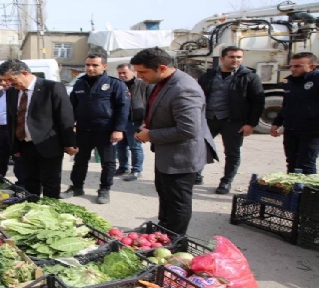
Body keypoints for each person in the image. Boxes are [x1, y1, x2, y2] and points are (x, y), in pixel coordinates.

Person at [131, 47, 218, 235]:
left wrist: (151, 135)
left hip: (182, 157)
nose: (139, 76)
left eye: (143, 72)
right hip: (167, 153)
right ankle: (162, 230)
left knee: (178, 202)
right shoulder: (163, 82)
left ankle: (174, 241)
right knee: (166, 195)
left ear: (161, 68)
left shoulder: (184, 88)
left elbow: (188, 129)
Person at [0, 59, 77, 199]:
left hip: (48, 144)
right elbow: (12, 120)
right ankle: (32, 209)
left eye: (11, 79)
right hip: (25, 146)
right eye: (5, 81)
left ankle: (50, 213)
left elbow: (65, 117)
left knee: (50, 184)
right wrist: (14, 147)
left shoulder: (52, 88)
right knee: (29, 182)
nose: (9, 84)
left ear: (24, 73)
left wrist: (69, 143)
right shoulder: (12, 92)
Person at [59, 54, 130, 204]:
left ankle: (104, 189)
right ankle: (77, 187)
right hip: (83, 130)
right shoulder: (79, 83)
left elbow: (123, 108)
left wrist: (118, 129)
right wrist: (70, 126)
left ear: (104, 66)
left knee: (108, 162)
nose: (90, 68)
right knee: (80, 160)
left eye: (95, 65)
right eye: (88, 65)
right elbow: (72, 107)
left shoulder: (115, 84)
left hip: (105, 130)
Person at [196, 46, 265, 194]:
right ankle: (196, 174)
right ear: (222, 59)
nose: (236, 60)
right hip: (209, 119)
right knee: (200, 147)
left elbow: (258, 102)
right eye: (232, 57)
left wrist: (251, 124)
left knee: (232, 153)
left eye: (239, 57)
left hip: (233, 121)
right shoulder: (209, 76)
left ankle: (226, 181)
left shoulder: (250, 77)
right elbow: (197, 96)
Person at [271, 52, 319, 174]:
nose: (293, 69)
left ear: (312, 66)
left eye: (298, 66)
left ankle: (308, 192)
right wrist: (277, 123)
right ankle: (293, 190)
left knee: (306, 164)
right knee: (291, 163)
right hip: (291, 129)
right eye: (291, 66)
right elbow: (287, 105)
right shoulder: (290, 82)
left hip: (312, 131)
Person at [115, 63, 149, 181]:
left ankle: (136, 170)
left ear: (133, 72)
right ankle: (123, 167)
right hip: (120, 121)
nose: (122, 75)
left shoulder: (142, 85)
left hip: (135, 121)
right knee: (120, 146)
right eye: (120, 73)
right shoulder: (117, 85)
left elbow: (149, 104)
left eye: (124, 72)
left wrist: (145, 122)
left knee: (135, 147)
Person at [0, 78, 25, 186]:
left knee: (18, 157)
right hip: (0, 130)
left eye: (6, 80)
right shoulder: (2, 93)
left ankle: (22, 184)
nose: (3, 83)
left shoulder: (20, 93)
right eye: (1, 80)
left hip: (12, 130)